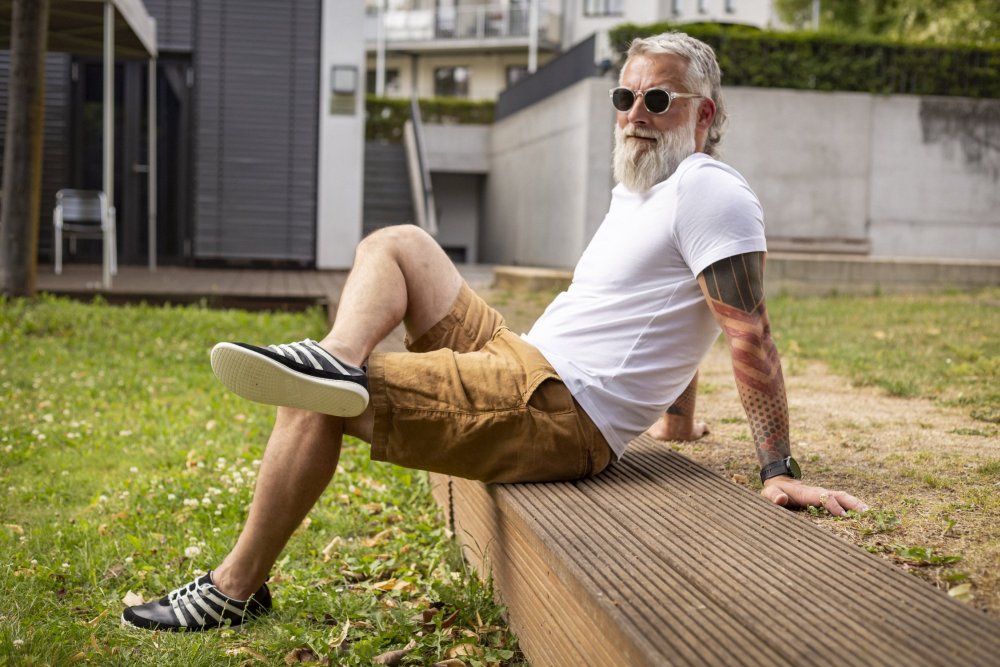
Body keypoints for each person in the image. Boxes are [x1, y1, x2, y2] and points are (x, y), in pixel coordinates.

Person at [122, 31, 867, 632]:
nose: (637, 111)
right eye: (626, 95)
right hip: (524, 362)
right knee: (400, 244)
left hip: (555, 411)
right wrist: (679, 421)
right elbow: (670, 307)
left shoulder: (710, 188)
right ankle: (337, 358)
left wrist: (778, 470)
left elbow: (747, 333)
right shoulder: (646, 186)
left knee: (313, 398)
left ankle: (235, 588)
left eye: (660, 98)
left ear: (704, 115)